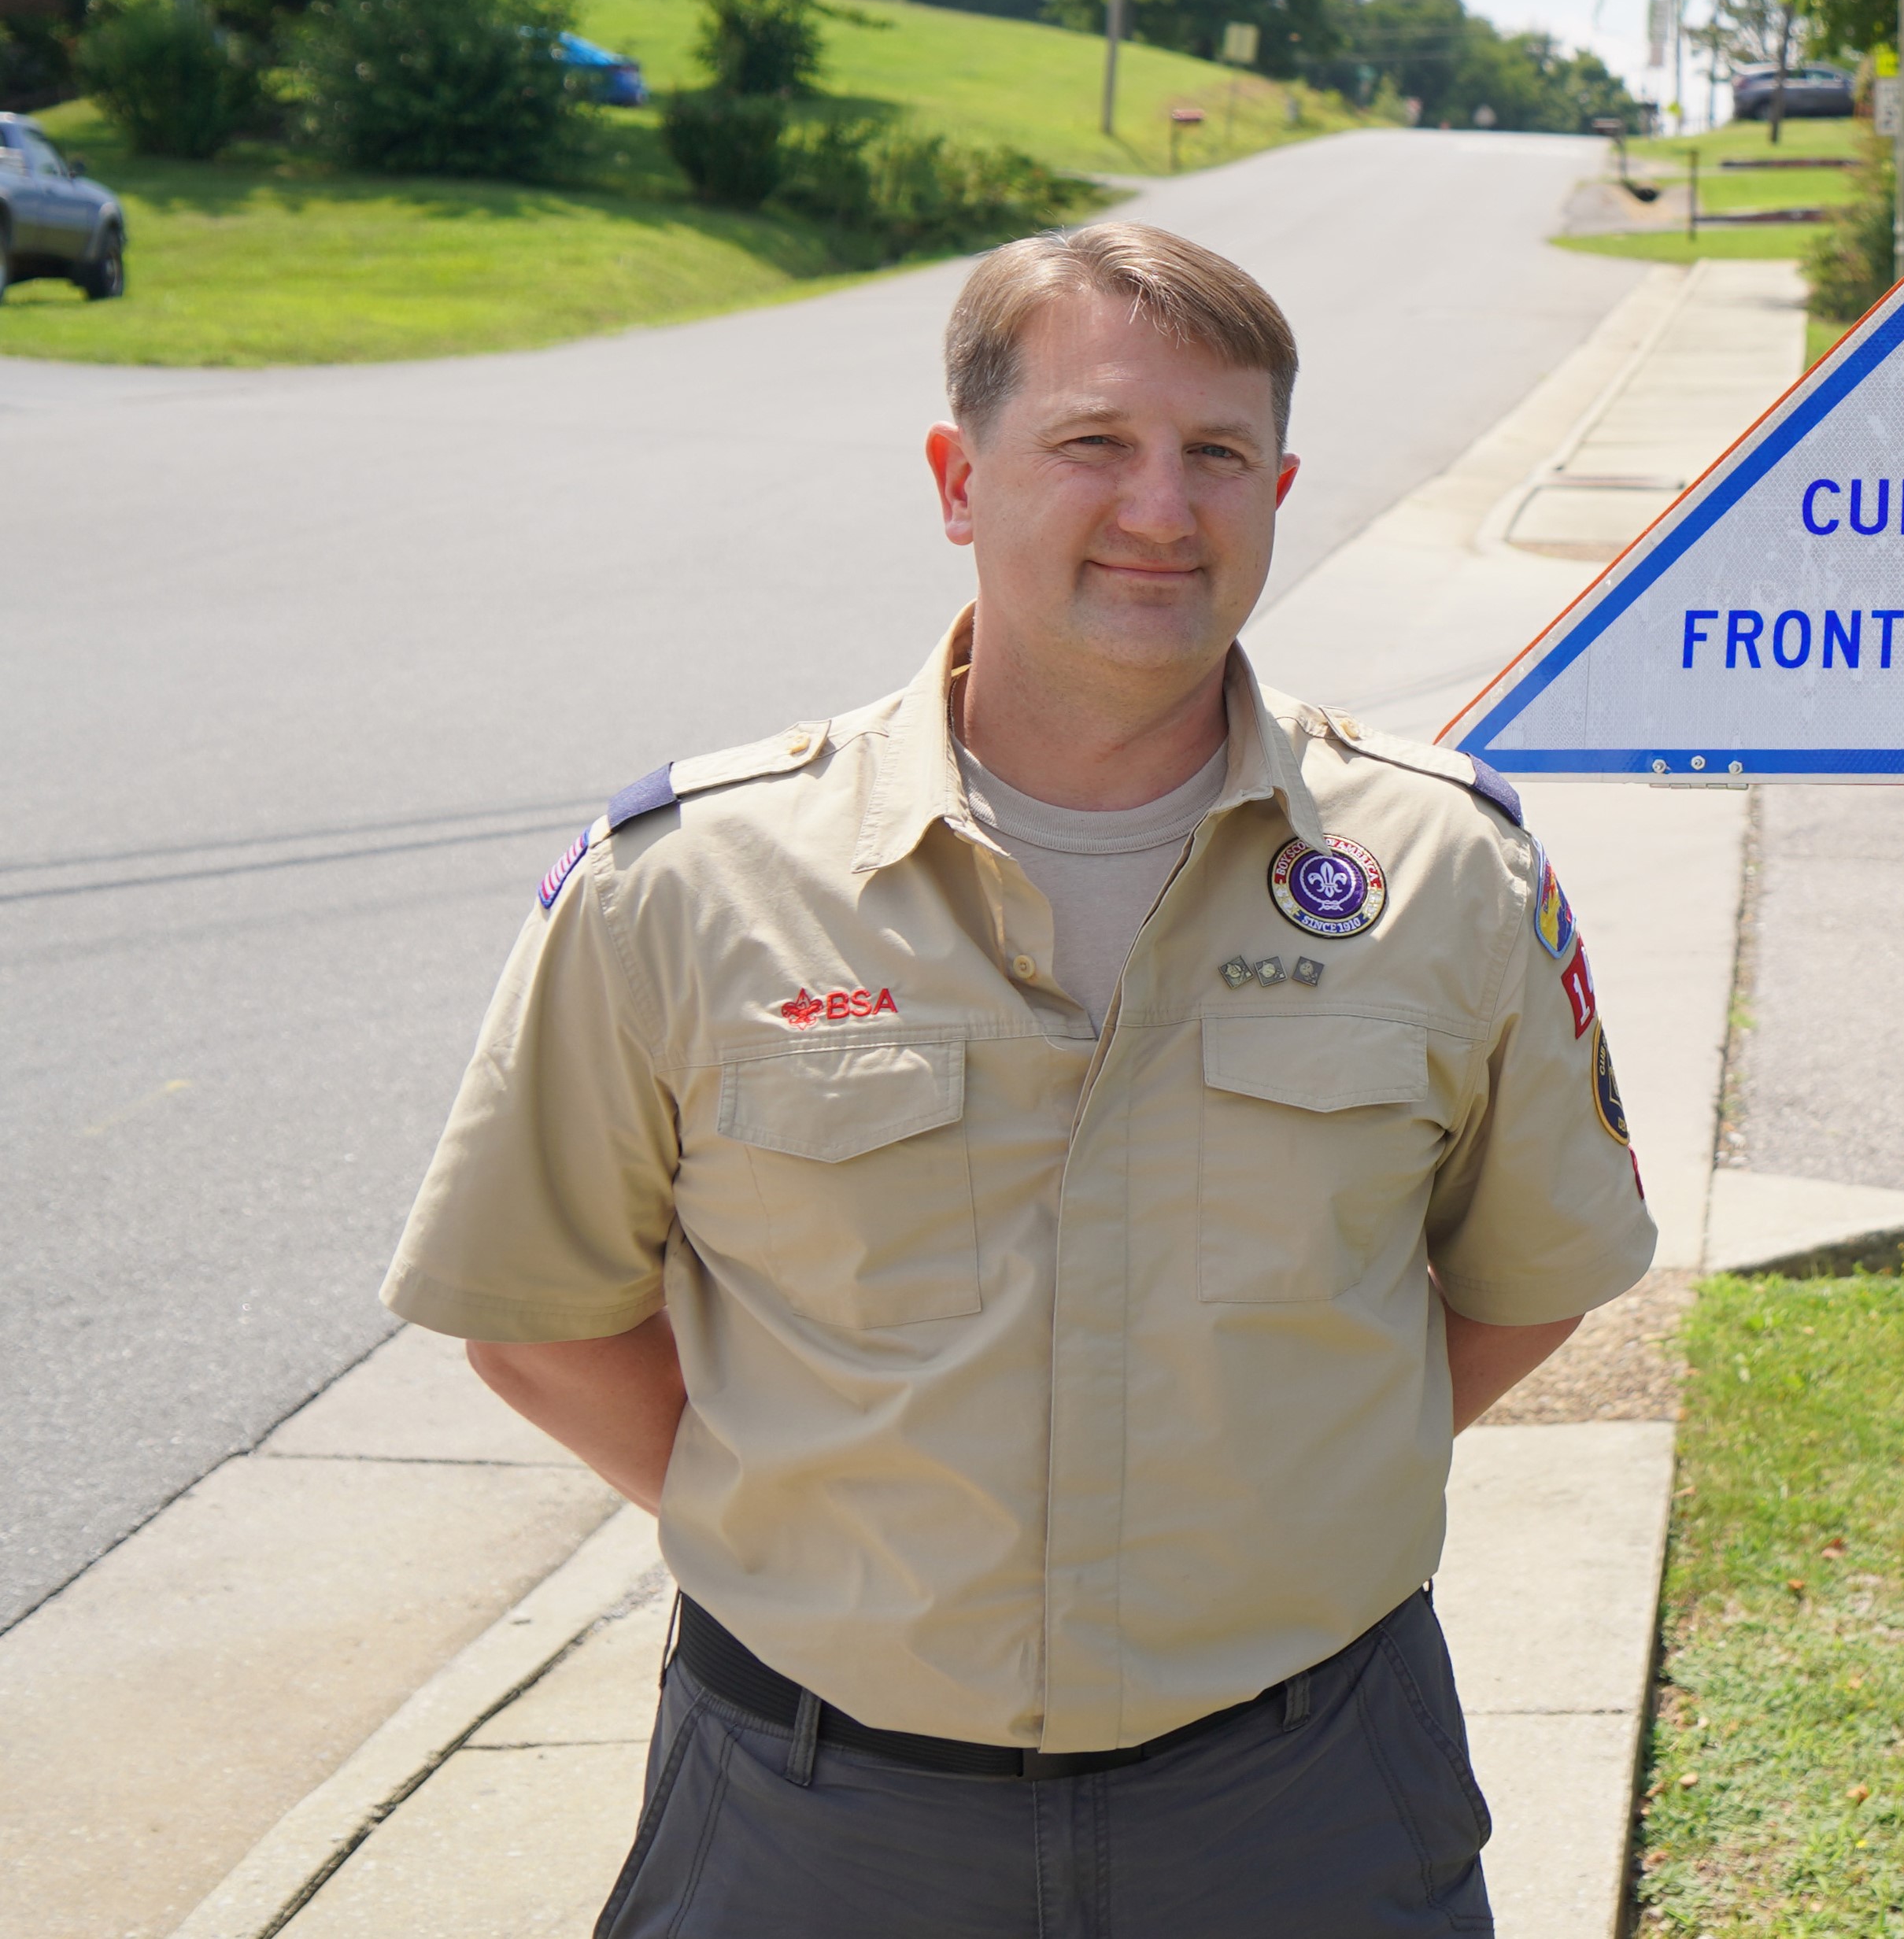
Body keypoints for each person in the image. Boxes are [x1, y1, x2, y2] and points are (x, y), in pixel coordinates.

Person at [383, 222, 1654, 1937]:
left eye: (1216, 454)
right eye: (1092, 444)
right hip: (817, 1817)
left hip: (1305, 1800)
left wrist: (1290, 1491)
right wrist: (828, 1532)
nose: (1160, 508)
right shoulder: (689, 880)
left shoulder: (1443, 868)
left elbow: (1530, 1278)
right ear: (956, 477)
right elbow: (533, 1312)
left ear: (1277, 487)